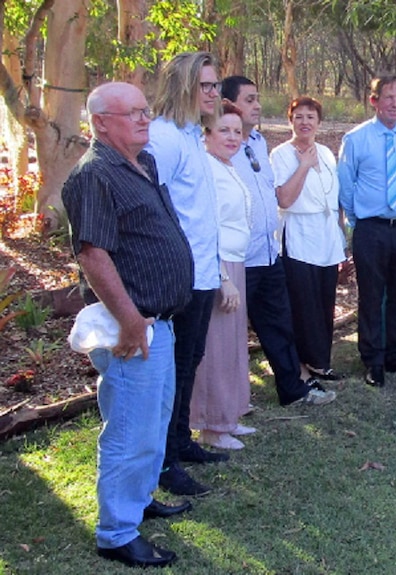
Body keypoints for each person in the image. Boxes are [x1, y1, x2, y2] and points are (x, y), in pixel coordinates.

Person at [63, 82, 193, 568]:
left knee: (153, 421)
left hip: (159, 323)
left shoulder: (145, 163)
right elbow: (93, 256)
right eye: (133, 113)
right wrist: (132, 322)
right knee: (129, 431)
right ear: (100, 122)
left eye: (146, 110)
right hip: (131, 327)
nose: (145, 119)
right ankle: (116, 532)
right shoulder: (94, 175)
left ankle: (137, 501)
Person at [220, 76, 337, 406]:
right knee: (229, 332)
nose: (257, 106)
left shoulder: (256, 142)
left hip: (267, 251)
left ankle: (292, 389)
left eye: (257, 99)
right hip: (237, 255)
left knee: (279, 325)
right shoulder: (219, 147)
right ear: (229, 106)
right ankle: (227, 401)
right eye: (250, 100)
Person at [147, 51, 227, 497]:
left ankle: (180, 441)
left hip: (203, 270)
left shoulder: (192, 134)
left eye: (216, 86)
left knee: (190, 360)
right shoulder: (163, 138)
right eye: (207, 86)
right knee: (174, 368)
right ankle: (164, 461)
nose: (215, 93)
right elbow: (156, 208)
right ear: (183, 86)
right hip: (180, 274)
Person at [337, 74, 396, 387]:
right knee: (372, 297)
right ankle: (373, 360)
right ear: (373, 101)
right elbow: (346, 186)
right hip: (371, 229)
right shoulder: (356, 139)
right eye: (388, 97)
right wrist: (357, 221)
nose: (395, 104)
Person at [189, 104, 253, 451]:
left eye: (237, 132)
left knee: (232, 345)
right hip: (218, 265)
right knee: (215, 347)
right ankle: (211, 425)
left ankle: (230, 415)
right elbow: (205, 227)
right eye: (224, 130)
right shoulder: (207, 171)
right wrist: (222, 277)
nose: (232, 137)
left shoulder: (228, 167)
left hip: (237, 261)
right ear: (207, 135)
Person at [270, 96, 347, 381]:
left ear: (319, 122)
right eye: (299, 117)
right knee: (303, 302)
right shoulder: (280, 154)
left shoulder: (327, 153)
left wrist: (340, 237)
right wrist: (302, 165)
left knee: (324, 300)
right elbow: (285, 200)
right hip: (299, 235)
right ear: (290, 120)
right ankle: (303, 364)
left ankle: (320, 360)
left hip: (326, 235)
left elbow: (334, 198)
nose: (305, 122)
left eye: (310, 117)